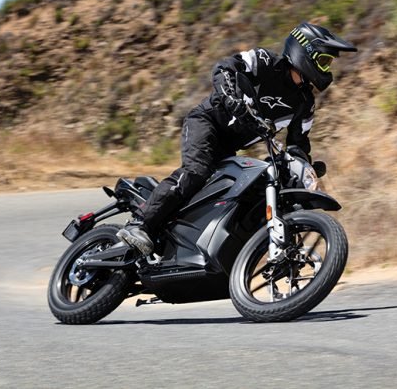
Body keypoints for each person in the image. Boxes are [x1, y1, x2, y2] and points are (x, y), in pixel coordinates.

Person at [117, 22, 357, 256]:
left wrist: (303, 164)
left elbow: (299, 143)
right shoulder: (265, 61)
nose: (326, 69)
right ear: (304, 52)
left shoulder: (305, 103)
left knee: (231, 193)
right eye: (324, 62)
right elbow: (224, 68)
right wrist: (231, 97)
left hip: (229, 147)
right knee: (196, 171)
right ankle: (140, 224)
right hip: (207, 122)